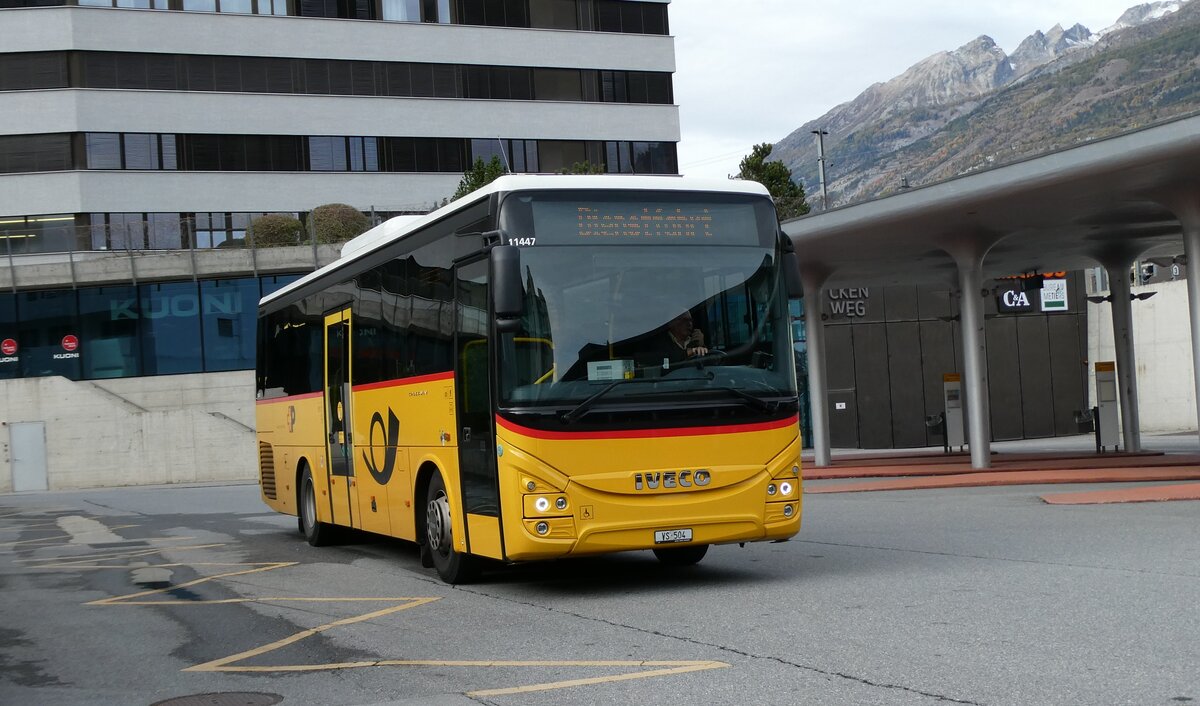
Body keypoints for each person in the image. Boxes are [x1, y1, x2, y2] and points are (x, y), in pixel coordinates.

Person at [642, 310, 708, 368]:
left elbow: (709, 362)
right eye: (684, 320)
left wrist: (700, 345)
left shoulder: (694, 340)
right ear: (671, 323)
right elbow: (664, 363)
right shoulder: (658, 343)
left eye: (691, 320)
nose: (689, 324)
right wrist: (689, 352)